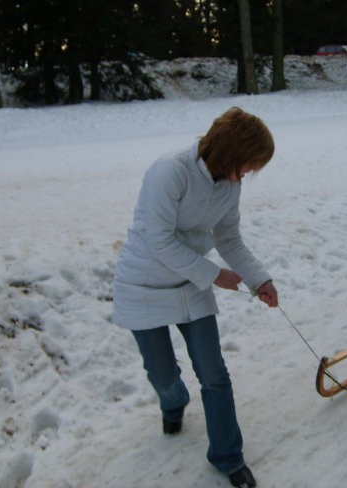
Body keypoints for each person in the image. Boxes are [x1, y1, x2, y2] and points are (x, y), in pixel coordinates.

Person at [111, 107, 278, 488]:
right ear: (231, 152)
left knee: (214, 372)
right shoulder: (170, 171)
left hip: (190, 285)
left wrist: (259, 279)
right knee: (162, 373)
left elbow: (229, 238)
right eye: (249, 163)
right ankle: (172, 402)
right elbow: (159, 240)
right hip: (144, 286)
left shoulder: (230, 185)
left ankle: (228, 456)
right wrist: (215, 274)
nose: (250, 173)